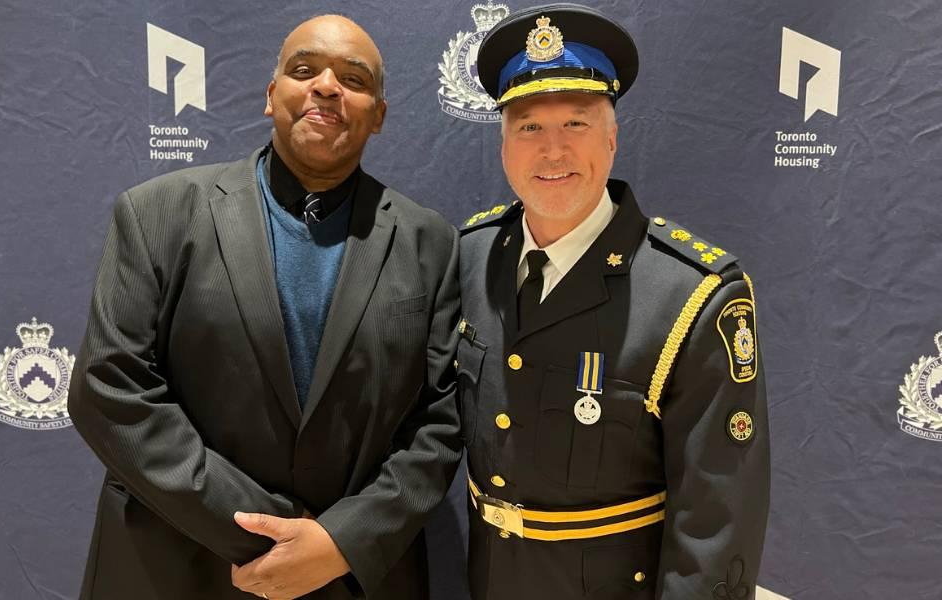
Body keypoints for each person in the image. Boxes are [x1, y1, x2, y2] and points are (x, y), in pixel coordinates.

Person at [68, 15, 461, 600]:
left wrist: (338, 544)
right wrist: (268, 535)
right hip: (176, 566)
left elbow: (439, 424)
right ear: (270, 94)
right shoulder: (158, 213)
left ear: (378, 115)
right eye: (303, 70)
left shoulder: (430, 242)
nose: (326, 86)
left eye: (353, 79)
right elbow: (110, 391)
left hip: (347, 577)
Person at [456, 4, 770, 599]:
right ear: (503, 144)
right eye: (528, 127)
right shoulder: (470, 256)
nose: (552, 151)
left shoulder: (693, 295)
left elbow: (716, 520)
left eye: (575, 124)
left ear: (613, 136)